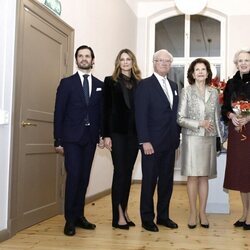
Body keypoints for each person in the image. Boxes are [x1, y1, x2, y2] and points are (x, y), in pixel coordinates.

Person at [54, 45, 104, 236]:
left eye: (87, 56)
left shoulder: (100, 84)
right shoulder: (67, 83)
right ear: (76, 60)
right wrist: (57, 139)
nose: (84, 59)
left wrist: (101, 135)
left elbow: (101, 114)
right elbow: (59, 113)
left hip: (90, 139)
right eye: (81, 56)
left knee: (84, 178)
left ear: (93, 60)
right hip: (71, 139)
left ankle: (80, 216)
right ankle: (69, 220)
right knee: (74, 177)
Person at [134, 49, 180, 232]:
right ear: (154, 62)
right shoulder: (144, 85)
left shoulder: (174, 86)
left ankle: (163, 216)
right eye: (160, 60)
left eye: (167, 61)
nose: (164, 64)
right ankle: (147, 219)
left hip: (170, 143)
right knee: (149, 182)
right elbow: (140, 115)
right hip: (150, 144)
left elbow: (174, 115)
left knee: (167, 182)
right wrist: (144, 140)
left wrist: (177, 137)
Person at [177, 58, 222, 229]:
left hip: (209, 139)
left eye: (204, 69)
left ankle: (203, 213)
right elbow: (180, 118)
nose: (201, 72)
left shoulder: (215, 92)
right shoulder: (186, 91)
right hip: (192, 138)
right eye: (197, 69)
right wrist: (199, 124)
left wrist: (219, 139)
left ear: (208, 73)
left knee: (204, 176)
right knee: (193, 176)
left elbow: (217, 118)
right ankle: (192, 213)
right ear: (192, 73)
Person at [103, 49, 141, 230]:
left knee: (128, 173)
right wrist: (106, 135)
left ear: (133, 62)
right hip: (117, 134)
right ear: (118, 62)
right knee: (119, 173)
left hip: (134, 135)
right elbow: (106, 109)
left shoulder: (139, 84)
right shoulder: (110, 82)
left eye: (128, 59)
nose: (125, 62)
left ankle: (124, 211)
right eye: (122, 59)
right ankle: (117, 215)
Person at [221, 49, 250, 230]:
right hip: (236, 130)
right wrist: (231, 115)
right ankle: (245, 213)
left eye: (247, 60)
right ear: (236, 63)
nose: (243, 63)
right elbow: (224, 108)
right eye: (240, 60)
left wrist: (249, 117)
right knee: (241, 174)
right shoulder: (231, 83)